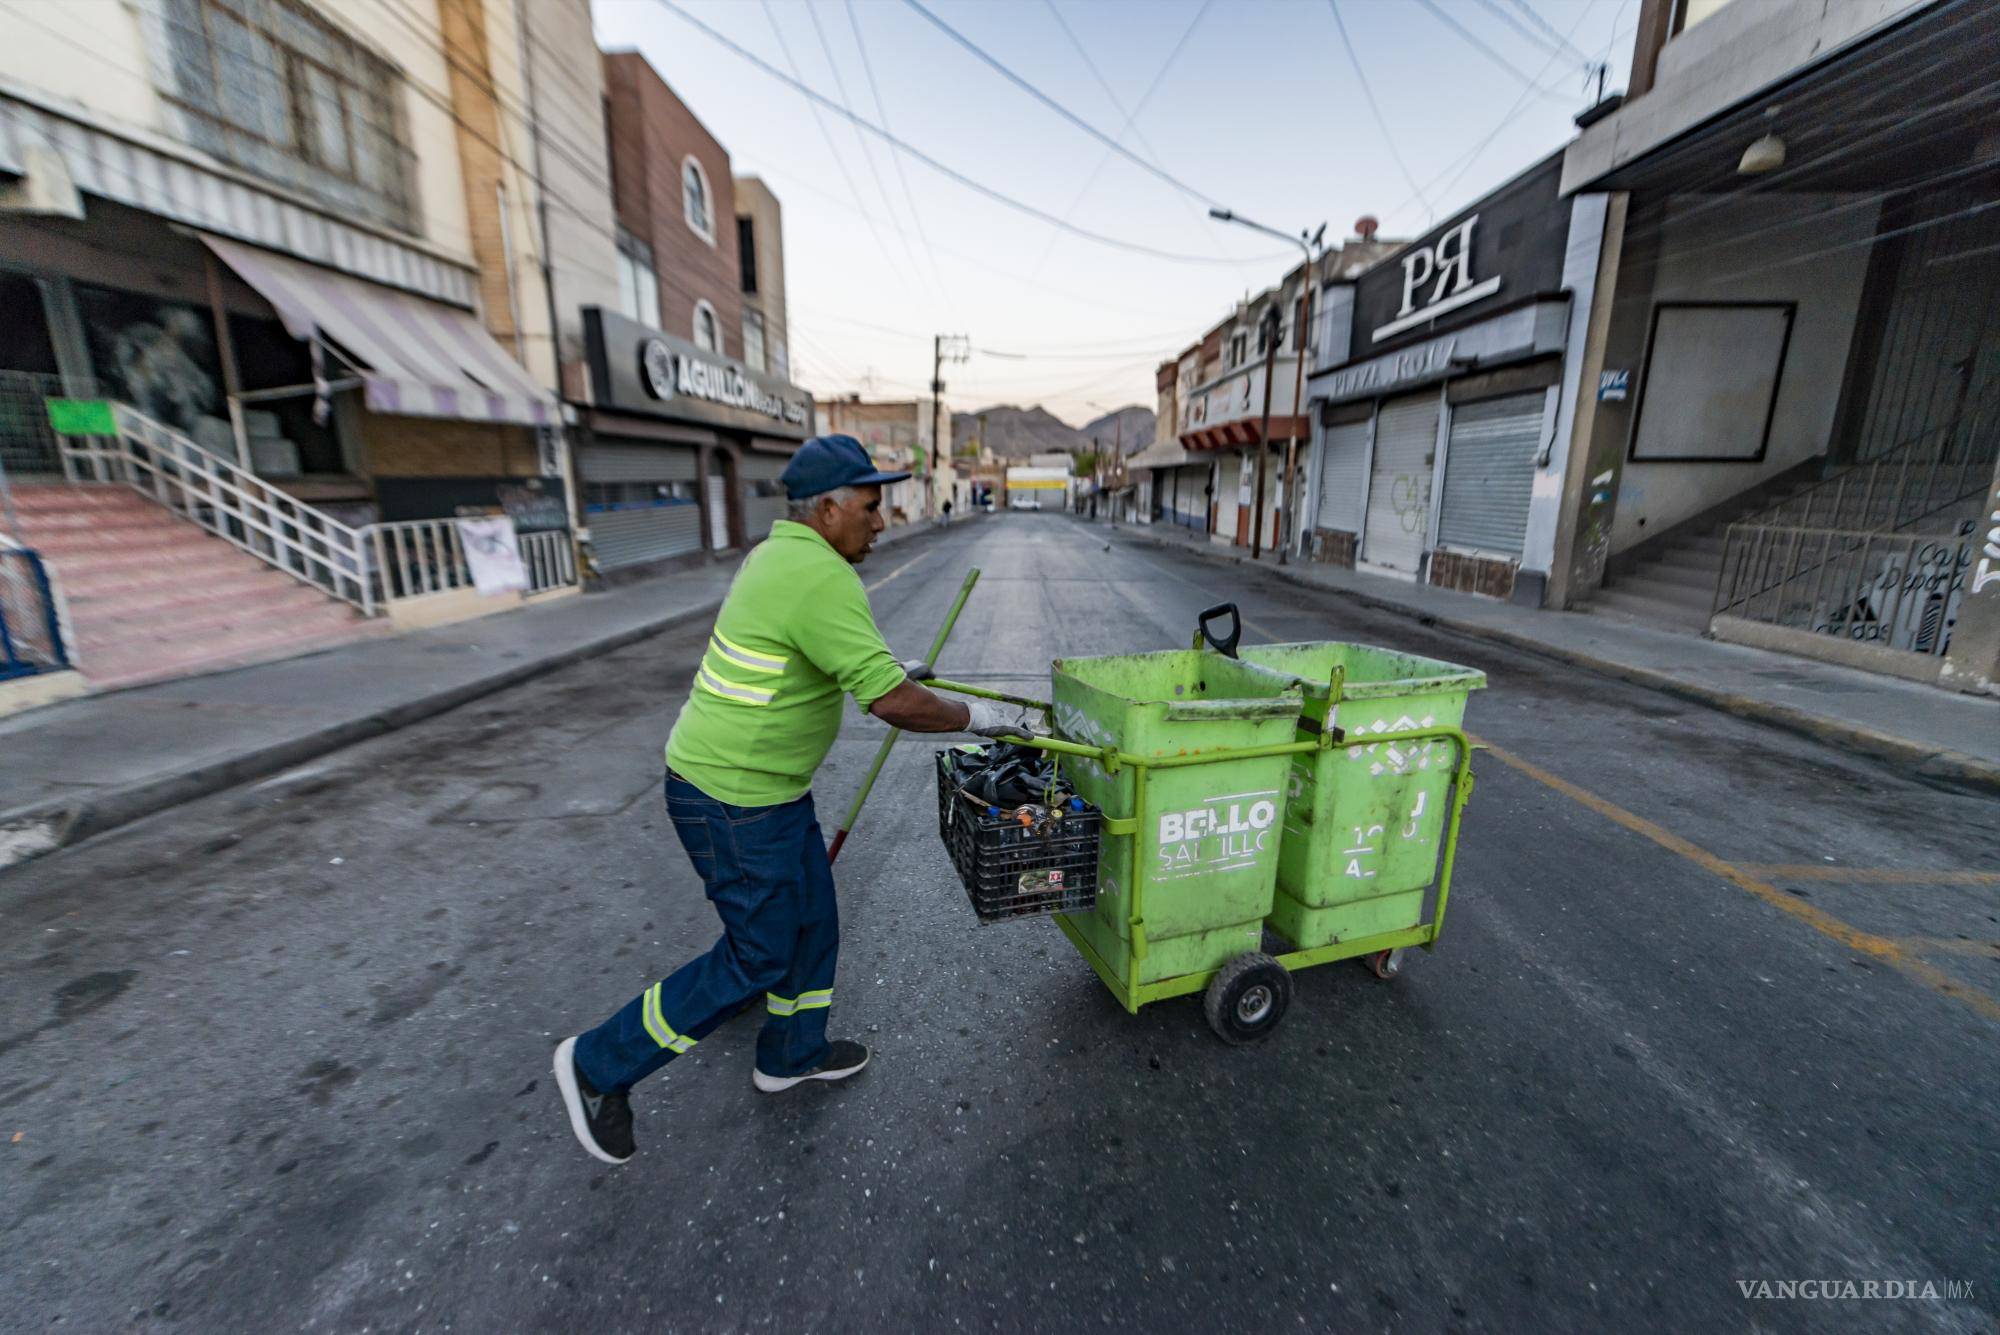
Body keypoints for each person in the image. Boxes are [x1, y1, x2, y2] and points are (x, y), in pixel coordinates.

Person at [554, 434, 1035, 1165]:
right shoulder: (820, 576)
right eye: (872, 506)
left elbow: (820, 657)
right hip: (731, 798)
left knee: (812, 920)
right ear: (829, 507)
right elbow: (889, 702)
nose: (883, 519)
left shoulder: (785, 555)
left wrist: (885, 670)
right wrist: (981, 717)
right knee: (759, 954)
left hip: (760, 793)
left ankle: (791, 1053)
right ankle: (596, 1065)